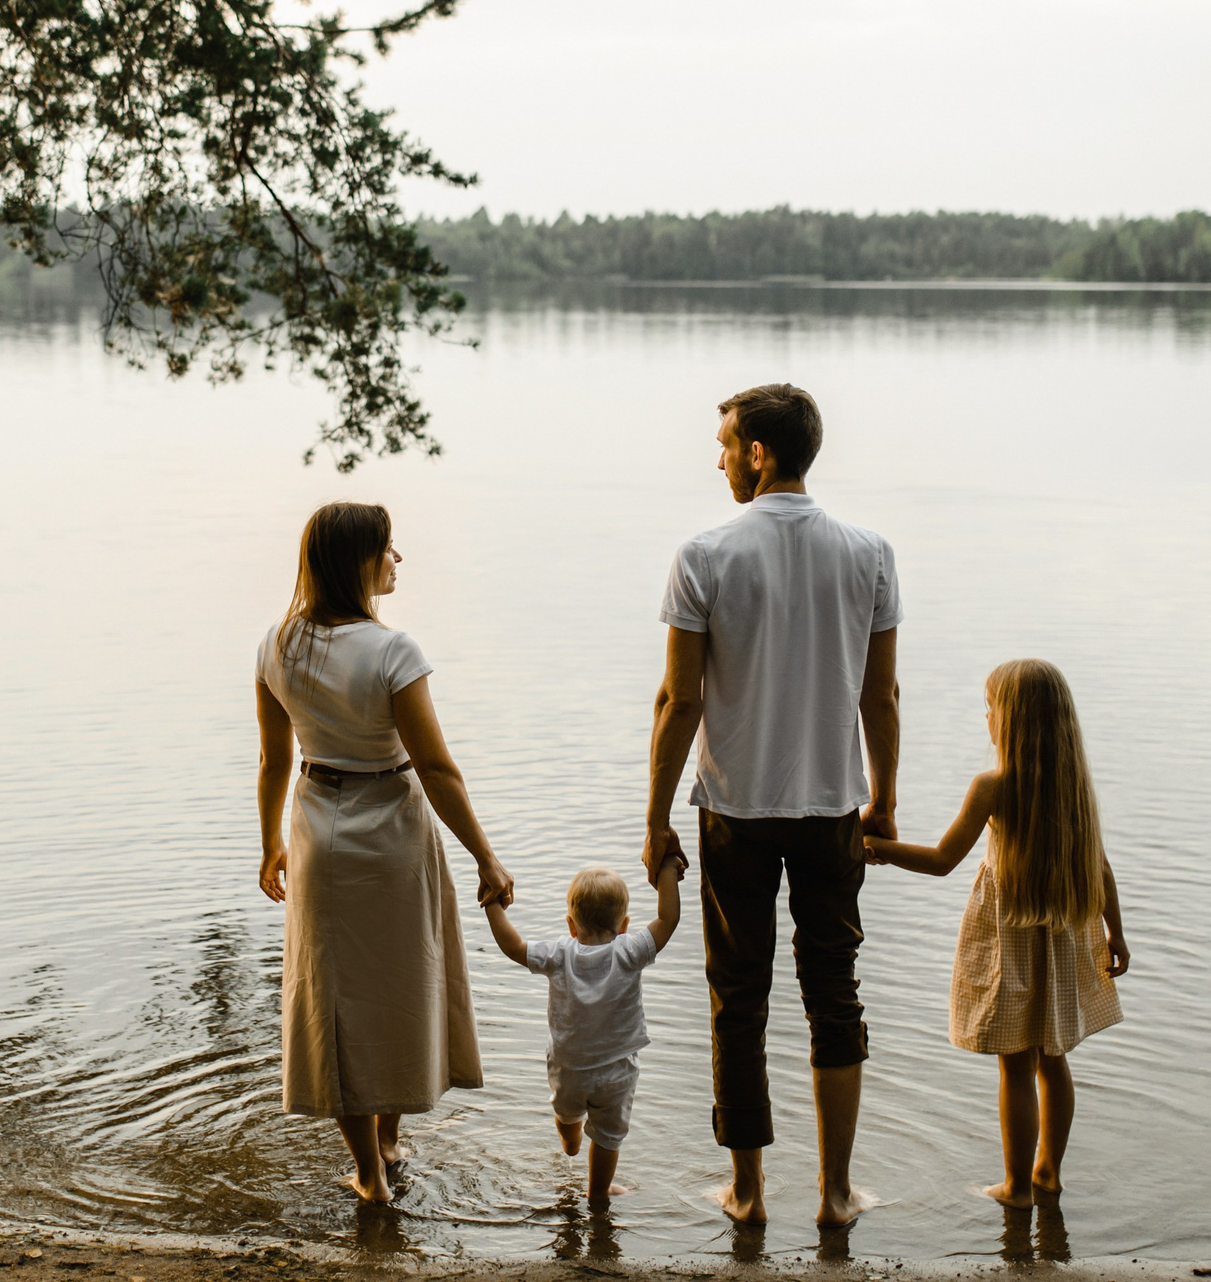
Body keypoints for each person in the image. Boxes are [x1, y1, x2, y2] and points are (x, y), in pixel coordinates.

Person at [644, 383, 901, 1227]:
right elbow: (882, 695)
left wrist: (657, 817)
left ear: (759, 453)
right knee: (835, 990)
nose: (717, 458)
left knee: (737, 994)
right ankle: (834, 1194)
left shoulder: (704, 554)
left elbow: (678, 703)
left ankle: (748, 1194)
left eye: (724, 444)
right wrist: (885, 801)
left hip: (735, 810)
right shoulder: (870, 553)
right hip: (834, 807)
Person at [254, 501, 516, 1204]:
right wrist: (486, 857)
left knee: (335, 1000)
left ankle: (371, 1167)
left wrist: (269, 842)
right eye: (389, 549)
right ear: (359, 562)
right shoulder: (394, 650)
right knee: (403, 988)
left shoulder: (277, 645)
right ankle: (389, 1145)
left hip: (319, 830)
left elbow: (274, 761)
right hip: (395, 826)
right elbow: (436, 767)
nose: (398, 559)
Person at [865, 658, 1129, 1208]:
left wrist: (873, 848)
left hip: (1011, 942)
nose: (986, 716)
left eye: (991, 708)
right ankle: (1048, 1174)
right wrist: (1116, 934)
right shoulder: (1073, 787)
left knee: (1016, 1064)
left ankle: (1015, 1188)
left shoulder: (994, 786)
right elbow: (1101, 868)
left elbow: (941, 859)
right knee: (1053, 1059)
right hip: (1066, 938)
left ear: (1010, 722)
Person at [482, 859, 685, 1205]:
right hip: (617, 1071)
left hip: (568, 1068)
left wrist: (492, 904)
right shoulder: (630, 951)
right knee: (609, 1136)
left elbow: (513, 946)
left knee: (566, 1112)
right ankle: (598, 1194)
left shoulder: (559, 953)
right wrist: (666, 870)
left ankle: (570, 1140)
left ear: (571, 926)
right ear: (624, 925)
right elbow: (668, 919)